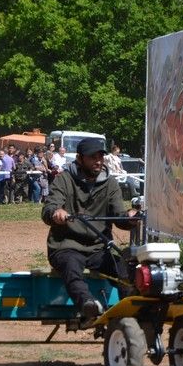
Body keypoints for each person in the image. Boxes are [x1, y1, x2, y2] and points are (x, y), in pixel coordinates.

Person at [42, 137, 137, 321]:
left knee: (124, 269)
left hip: (99, 248)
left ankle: (134, 308)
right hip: (66, 245)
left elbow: (119, 216)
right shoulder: (64, 179)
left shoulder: (110, 184)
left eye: (101, 157)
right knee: (71, 267)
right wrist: (56, 213)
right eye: (92, 157)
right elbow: (48, 208)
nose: (98, 161)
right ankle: (88, 305)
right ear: (79, 159)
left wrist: (129, 218)